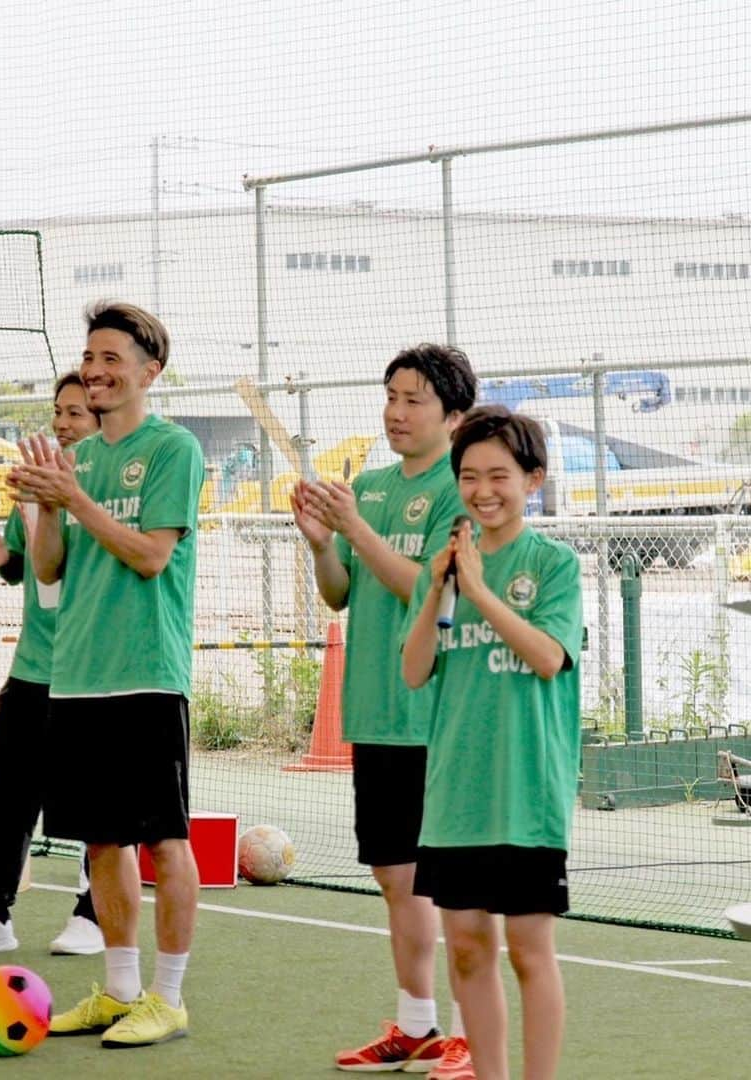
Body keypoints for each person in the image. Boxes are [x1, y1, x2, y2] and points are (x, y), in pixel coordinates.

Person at [8, 300, 204, 1050]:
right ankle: (121, 991)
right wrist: (46, 507)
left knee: (163, 841)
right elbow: (50, 571)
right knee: (101, 843)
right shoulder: (77, 457)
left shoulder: (172, 449)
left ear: (150, 371)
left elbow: (152, 555)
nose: (94, 371)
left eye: (111, 359)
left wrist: (75, 498)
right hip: (76, 677)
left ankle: (170, 996)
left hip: (145, 675)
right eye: (89, 357)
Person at [291, 343, 479, 1077]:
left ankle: (468, 1031)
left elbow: (425, 588)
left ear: (453, 417)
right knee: (396, 878)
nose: (395, 413)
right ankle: (417, 1024)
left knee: (456, 883)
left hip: (438, 716)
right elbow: (344, 592)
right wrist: (319, 545)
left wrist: (357, 532)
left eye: (414, 400)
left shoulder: (461, 490)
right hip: (374, 714)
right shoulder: (365, 486)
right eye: (391, 396)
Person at [402, 405, 583, 1080]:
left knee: (530, 950)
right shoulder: (442, 568)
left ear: (532, 479)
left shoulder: (554, 565)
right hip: (456, 794)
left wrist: (480, 589)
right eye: (469, 476)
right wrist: (437, 592)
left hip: (526, 794)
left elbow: (545, 656)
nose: (483, 490)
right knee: (469, 951)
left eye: (499, 475)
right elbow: (415, 670)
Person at [0, 372, 105, 957]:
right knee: (5, 794)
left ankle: (93, 913)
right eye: (59, 411)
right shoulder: (30, 486)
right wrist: (6, 556)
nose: (63, 422)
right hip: (33, 666)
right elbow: (32, 571)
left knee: (92, 804)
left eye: (77, 413)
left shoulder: (107, 488)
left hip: (94, 671)